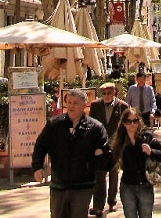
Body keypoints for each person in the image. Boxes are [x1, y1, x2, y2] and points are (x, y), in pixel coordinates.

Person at [32, 89, 112, 218]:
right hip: (59, 184)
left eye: (75, 103)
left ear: (84, 104)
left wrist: (92, 165)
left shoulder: (95, 128)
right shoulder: (54, 125)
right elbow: (40, 146)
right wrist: (37, 167)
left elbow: (106, 156)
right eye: (68, 102)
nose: (71, 106)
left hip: (83, 186)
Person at [112, 107, 161, 218]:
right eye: (129, 121)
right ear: (124, 123)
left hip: (145, 185)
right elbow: (109, 162)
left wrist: (151, 152)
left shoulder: (147, 138)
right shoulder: (120, 142)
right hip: (127, 187)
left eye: (135, 120)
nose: (132, 124)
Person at [89, 82, 130, 217]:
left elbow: (126, 126)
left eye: (109, 93)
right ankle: (98, 206)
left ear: (114, 93)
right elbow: (91, 124)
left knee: (114, 174)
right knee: (99, 175)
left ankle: (112, 200)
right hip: (100, 146)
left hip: (116, 145)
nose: (106, 96)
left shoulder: (123, 106)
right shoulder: (95, 105)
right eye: (104, 93)